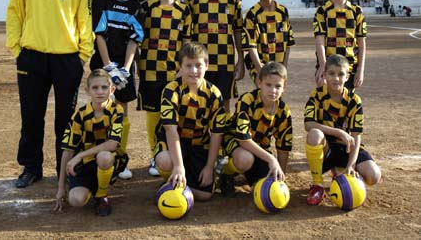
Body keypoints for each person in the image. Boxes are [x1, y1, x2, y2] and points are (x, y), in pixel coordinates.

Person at [6, 0, 93, 188]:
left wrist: (82, 56)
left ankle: (64, 170)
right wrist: (17, 49)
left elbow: (84, 19)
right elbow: (14, 13)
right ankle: (31, 168)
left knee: (65, 120)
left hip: (68, 59)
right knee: (31, 116)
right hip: (31, 58)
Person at [89, 0, 144, 180]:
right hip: (103, 63)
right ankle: (100, 156)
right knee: (100, 108)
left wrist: (125, 69)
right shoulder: (101, 1)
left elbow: (134, 40)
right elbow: (99, 35)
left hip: (123, 67)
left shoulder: (136, 7)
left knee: (121, 111)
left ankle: (120, 159)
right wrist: (109, 65)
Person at [304, 54, 381, 206]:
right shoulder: (317, 96)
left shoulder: (354, 101)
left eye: (341, 74)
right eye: (331, 73)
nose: (336, 78)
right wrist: (339, 132)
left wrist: (351, 164)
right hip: (327, 149)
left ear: (347, 77)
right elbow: (308, 125)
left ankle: (342, 170)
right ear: (324, 75)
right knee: (314, 134)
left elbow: (356, 136)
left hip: (348, 149)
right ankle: (317, 185)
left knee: (374, 176)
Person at [154, 42, 226, 201]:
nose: (194, 71)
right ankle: (172, 177)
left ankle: (179, 185)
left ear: (206, 65)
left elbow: (216, 134)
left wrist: (208, 167)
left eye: (198, 65)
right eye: (188, 66)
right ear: (180, 67)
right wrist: (178, 166)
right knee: (165, 161)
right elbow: (170, 130)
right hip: (174, 140)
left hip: (199, 143)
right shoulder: (171, 90)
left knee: (206, 195)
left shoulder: (214, 94)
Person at [137, 0, 191, 176]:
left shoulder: (184, 10)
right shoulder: (146, 8)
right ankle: (154, 155)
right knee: (153, 115)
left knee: (175, 115)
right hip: (149, 71)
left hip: (174, 72)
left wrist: (182, 69)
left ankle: (174, 154)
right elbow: (136, 39)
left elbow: (186, 42)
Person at [54, 69, 129, 216]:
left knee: (104, 156)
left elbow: (113, 144)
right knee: (76, 200)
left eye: (104, 87)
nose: (100, 92)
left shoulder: (117, 111)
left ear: (112, 89)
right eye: (95, 88)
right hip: (86, 165)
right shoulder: (79, 115)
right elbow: (68, 150)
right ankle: (93, 186)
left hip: (109, 161)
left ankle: (101, 195)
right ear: (87, 90)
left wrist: (80, 155)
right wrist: (61, 186)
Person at [184, 0, 244, 113]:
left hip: (225, 61)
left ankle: (223, 138)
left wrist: (240, 60)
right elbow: (186, 34)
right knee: (196, 101)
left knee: (224, 103)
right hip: (198, 61)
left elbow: (238, 30)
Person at [220, 62, 292, 196]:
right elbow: (243, 140)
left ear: (284, 87)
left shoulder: (284, 112)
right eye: (268, 85)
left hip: (258, 148)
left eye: (278, 86)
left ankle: (247, 175)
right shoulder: (247, 101)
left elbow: (283, 147)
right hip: (234, 141)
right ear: (259, 83)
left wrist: (281, 176)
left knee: (265, 187)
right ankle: (225, 173)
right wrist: (271, 160)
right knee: (244, 159)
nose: (273, 90)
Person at [313, 0, 367, 90]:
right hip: (328, 66)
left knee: (346, 104)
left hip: (349, 68)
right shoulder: (322, 11)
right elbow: (319, 40)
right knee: (326, 104)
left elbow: (361, 42)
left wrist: (360, 69)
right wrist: (323, 66)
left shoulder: (356, 11)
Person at [243, 0, 295, 85]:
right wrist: (260, 71)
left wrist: (284, 69)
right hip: (259, 66)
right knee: (264, 96)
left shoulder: (283, 12)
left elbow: (288, 44)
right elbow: (251, 46)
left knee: (276, 96)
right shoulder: (252, 15)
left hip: (279, 66)